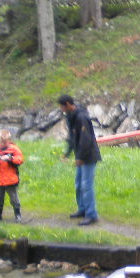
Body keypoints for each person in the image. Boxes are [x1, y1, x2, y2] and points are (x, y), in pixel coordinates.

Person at [58, 94, 101, 226]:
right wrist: (67, 153)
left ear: (68, 104)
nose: (61, 109)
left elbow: (86, 139)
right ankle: (82, 209)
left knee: (86, 186)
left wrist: (81, 158)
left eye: (61, 107)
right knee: (78, 184)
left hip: (88, 156)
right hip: (80, 156)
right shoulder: (71, 117)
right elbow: (72, 138)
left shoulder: (82, 117)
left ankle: (91, 214)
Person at [0, 129, 24, 223]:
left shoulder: (14, 148)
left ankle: (18, 215)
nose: (3, 143)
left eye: (5, 142)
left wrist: (10, 158)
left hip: (11, 179)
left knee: (14, 199)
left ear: (8, 140)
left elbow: (20, 159)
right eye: (1, 141)